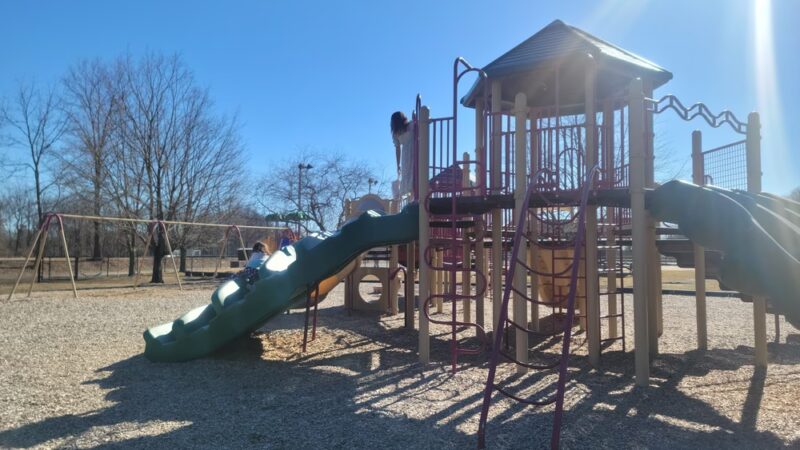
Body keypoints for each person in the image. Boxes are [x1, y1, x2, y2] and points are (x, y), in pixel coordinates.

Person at [391, 111, 416, 200]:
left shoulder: (396, 133)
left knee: (408, 175)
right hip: (414, 150)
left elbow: (398, 149)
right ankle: (413, 198)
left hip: (405, 154)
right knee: (414, 174)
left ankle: (412, 198)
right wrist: (415, 119)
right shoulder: (411, 125)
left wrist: (398, 164)